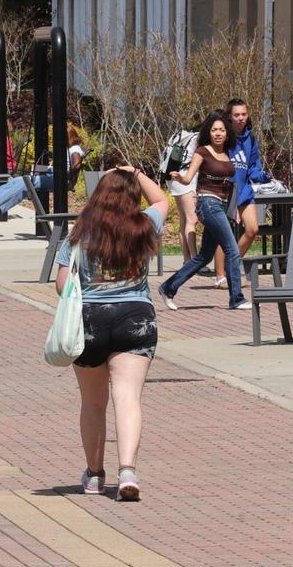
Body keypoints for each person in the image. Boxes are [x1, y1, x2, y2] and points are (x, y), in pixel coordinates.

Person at [53, 166, 170, 502]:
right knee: (127, 397)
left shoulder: (79, 235)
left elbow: (63, 286)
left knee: (92, 402)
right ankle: (128, 472)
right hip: (135, 317)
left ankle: (93, 475)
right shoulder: (144, 226)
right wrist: (136, 172)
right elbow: (162, 199)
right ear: (132, 198)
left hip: (89, 320)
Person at [158, 111, 250, 310]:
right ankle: (237, 298)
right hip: (208, 204)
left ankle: (168, 287)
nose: (218, 133)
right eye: (214, 130)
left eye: (221, 130)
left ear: (227, 133)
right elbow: (188, 177)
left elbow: (232, 183)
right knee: (232, 250)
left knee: (204, 257)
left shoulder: (228, 152)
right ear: (208, 132)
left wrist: (233, 208)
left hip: (222, 205)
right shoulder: (202, 151)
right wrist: (178, 178)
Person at [214, 98, 272, 287]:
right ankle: (221, 276)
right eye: (236, 115)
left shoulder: (251, 139)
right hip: (226, 190)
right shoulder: (224, 138)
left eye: (243, 114)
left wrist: (263, 176)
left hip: (245, 190)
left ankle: (233, 266)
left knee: (252, 229)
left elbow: (252, 167)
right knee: (225, 234)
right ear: (229, 117)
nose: (240, 118)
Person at [0, 124, 82, 215]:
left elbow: (77, 165)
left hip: (62, 180)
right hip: (55, 176)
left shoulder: (75, 148)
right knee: (20, 179)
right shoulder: (67, 148)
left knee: (28, 183)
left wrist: (67, 174)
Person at [161, 121, 200, 263]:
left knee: (184, 221)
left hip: (174, 179)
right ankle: (195, 261)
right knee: (191, 219)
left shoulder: (185, 134)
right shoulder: (198, 138)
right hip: (184, 180)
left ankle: (187, 259)